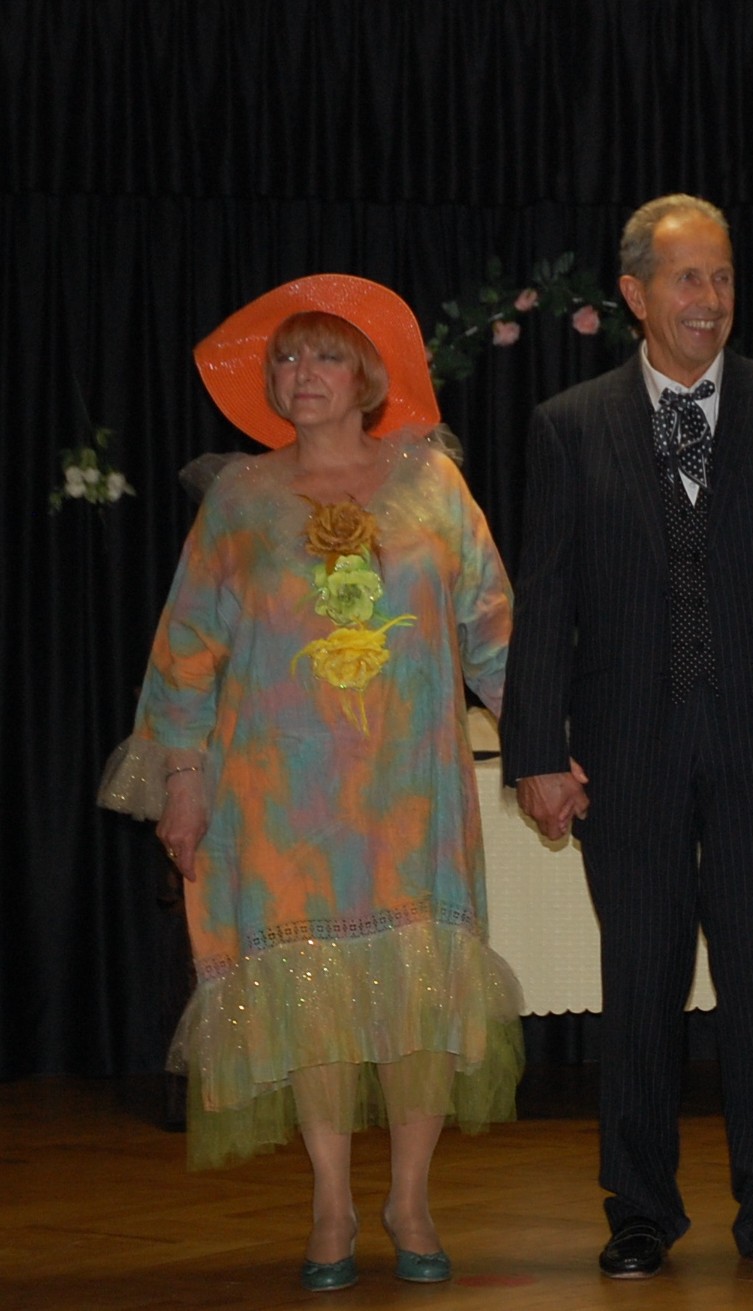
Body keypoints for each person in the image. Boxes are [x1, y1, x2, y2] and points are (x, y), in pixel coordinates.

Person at [102, 275, 523, 1292]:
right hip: (281, 799)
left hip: (410, 789)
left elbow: (493, 628)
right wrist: (181, 777)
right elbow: (186, 651)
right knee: (312, 995)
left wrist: (546, 743)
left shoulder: (433, 487)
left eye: (325, 355)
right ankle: (332, 1199)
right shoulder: (240, 498)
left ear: (368, 375)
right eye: (287, 358)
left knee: (420, 992)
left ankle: (410, 1198)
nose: (302, 374)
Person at [500, 194, 753, 1281]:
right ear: (634, 294)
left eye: (722, 276)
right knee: (641, 990)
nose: (709, 298)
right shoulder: (570, 425)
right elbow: (546, 602)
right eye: (687, 278)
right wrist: (535, 750)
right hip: (627, 756)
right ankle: (641, 1212)